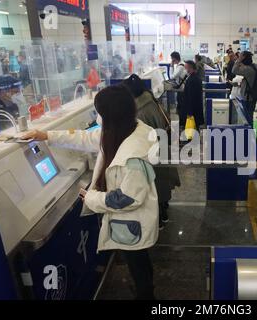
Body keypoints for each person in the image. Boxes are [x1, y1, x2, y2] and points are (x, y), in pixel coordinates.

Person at [21, 86, 159, 300]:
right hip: (128, 221)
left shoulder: (133, 156)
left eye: (99, 113)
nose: (97, 118)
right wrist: (45, 135)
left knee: (137, 262)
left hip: (133, 221)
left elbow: (127, 198)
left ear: (111, 117)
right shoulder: (124, 131)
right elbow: (85, 139)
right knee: (138, 259)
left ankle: (146, 296)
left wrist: (92, 198)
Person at [121, 74, 181, 230]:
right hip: (162, 145)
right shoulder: (150, 99)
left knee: (155, 184)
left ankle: (159, 219)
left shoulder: (139, 110)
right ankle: (164, 210)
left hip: (151, 151)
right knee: (162, 182)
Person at [232, 51, 257, 124]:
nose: (239, 58)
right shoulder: (253, 66)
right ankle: (250, 133)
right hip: (250, 97)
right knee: (248, 117)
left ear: (244, 58)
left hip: (248, 99)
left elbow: (234, 70)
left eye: (240, 56)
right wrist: (239, 85)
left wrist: (238, 60)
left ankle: (250, 134)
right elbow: (248, 82)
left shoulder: (248, 69)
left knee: (247, 119)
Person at [181, 60, 204, 129]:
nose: (185, 70)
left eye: (186, 68)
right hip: (195, 109)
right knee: (195, 126)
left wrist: (189, 112)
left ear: (190, 68)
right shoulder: (196, 77)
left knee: (192, 127)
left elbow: (191, 97)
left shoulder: (192, 80)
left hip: (192, 110)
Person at [169, 52, 187, 120]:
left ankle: (182, 121)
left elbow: (172, 76)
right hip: (182, 88)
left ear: (174, 59)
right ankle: (181, 120)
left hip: (181, 89)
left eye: (172, 59)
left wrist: (171, 66)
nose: (171, 60)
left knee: (181, 104)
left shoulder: (180, 67)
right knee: (180, 104)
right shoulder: (181, 64)